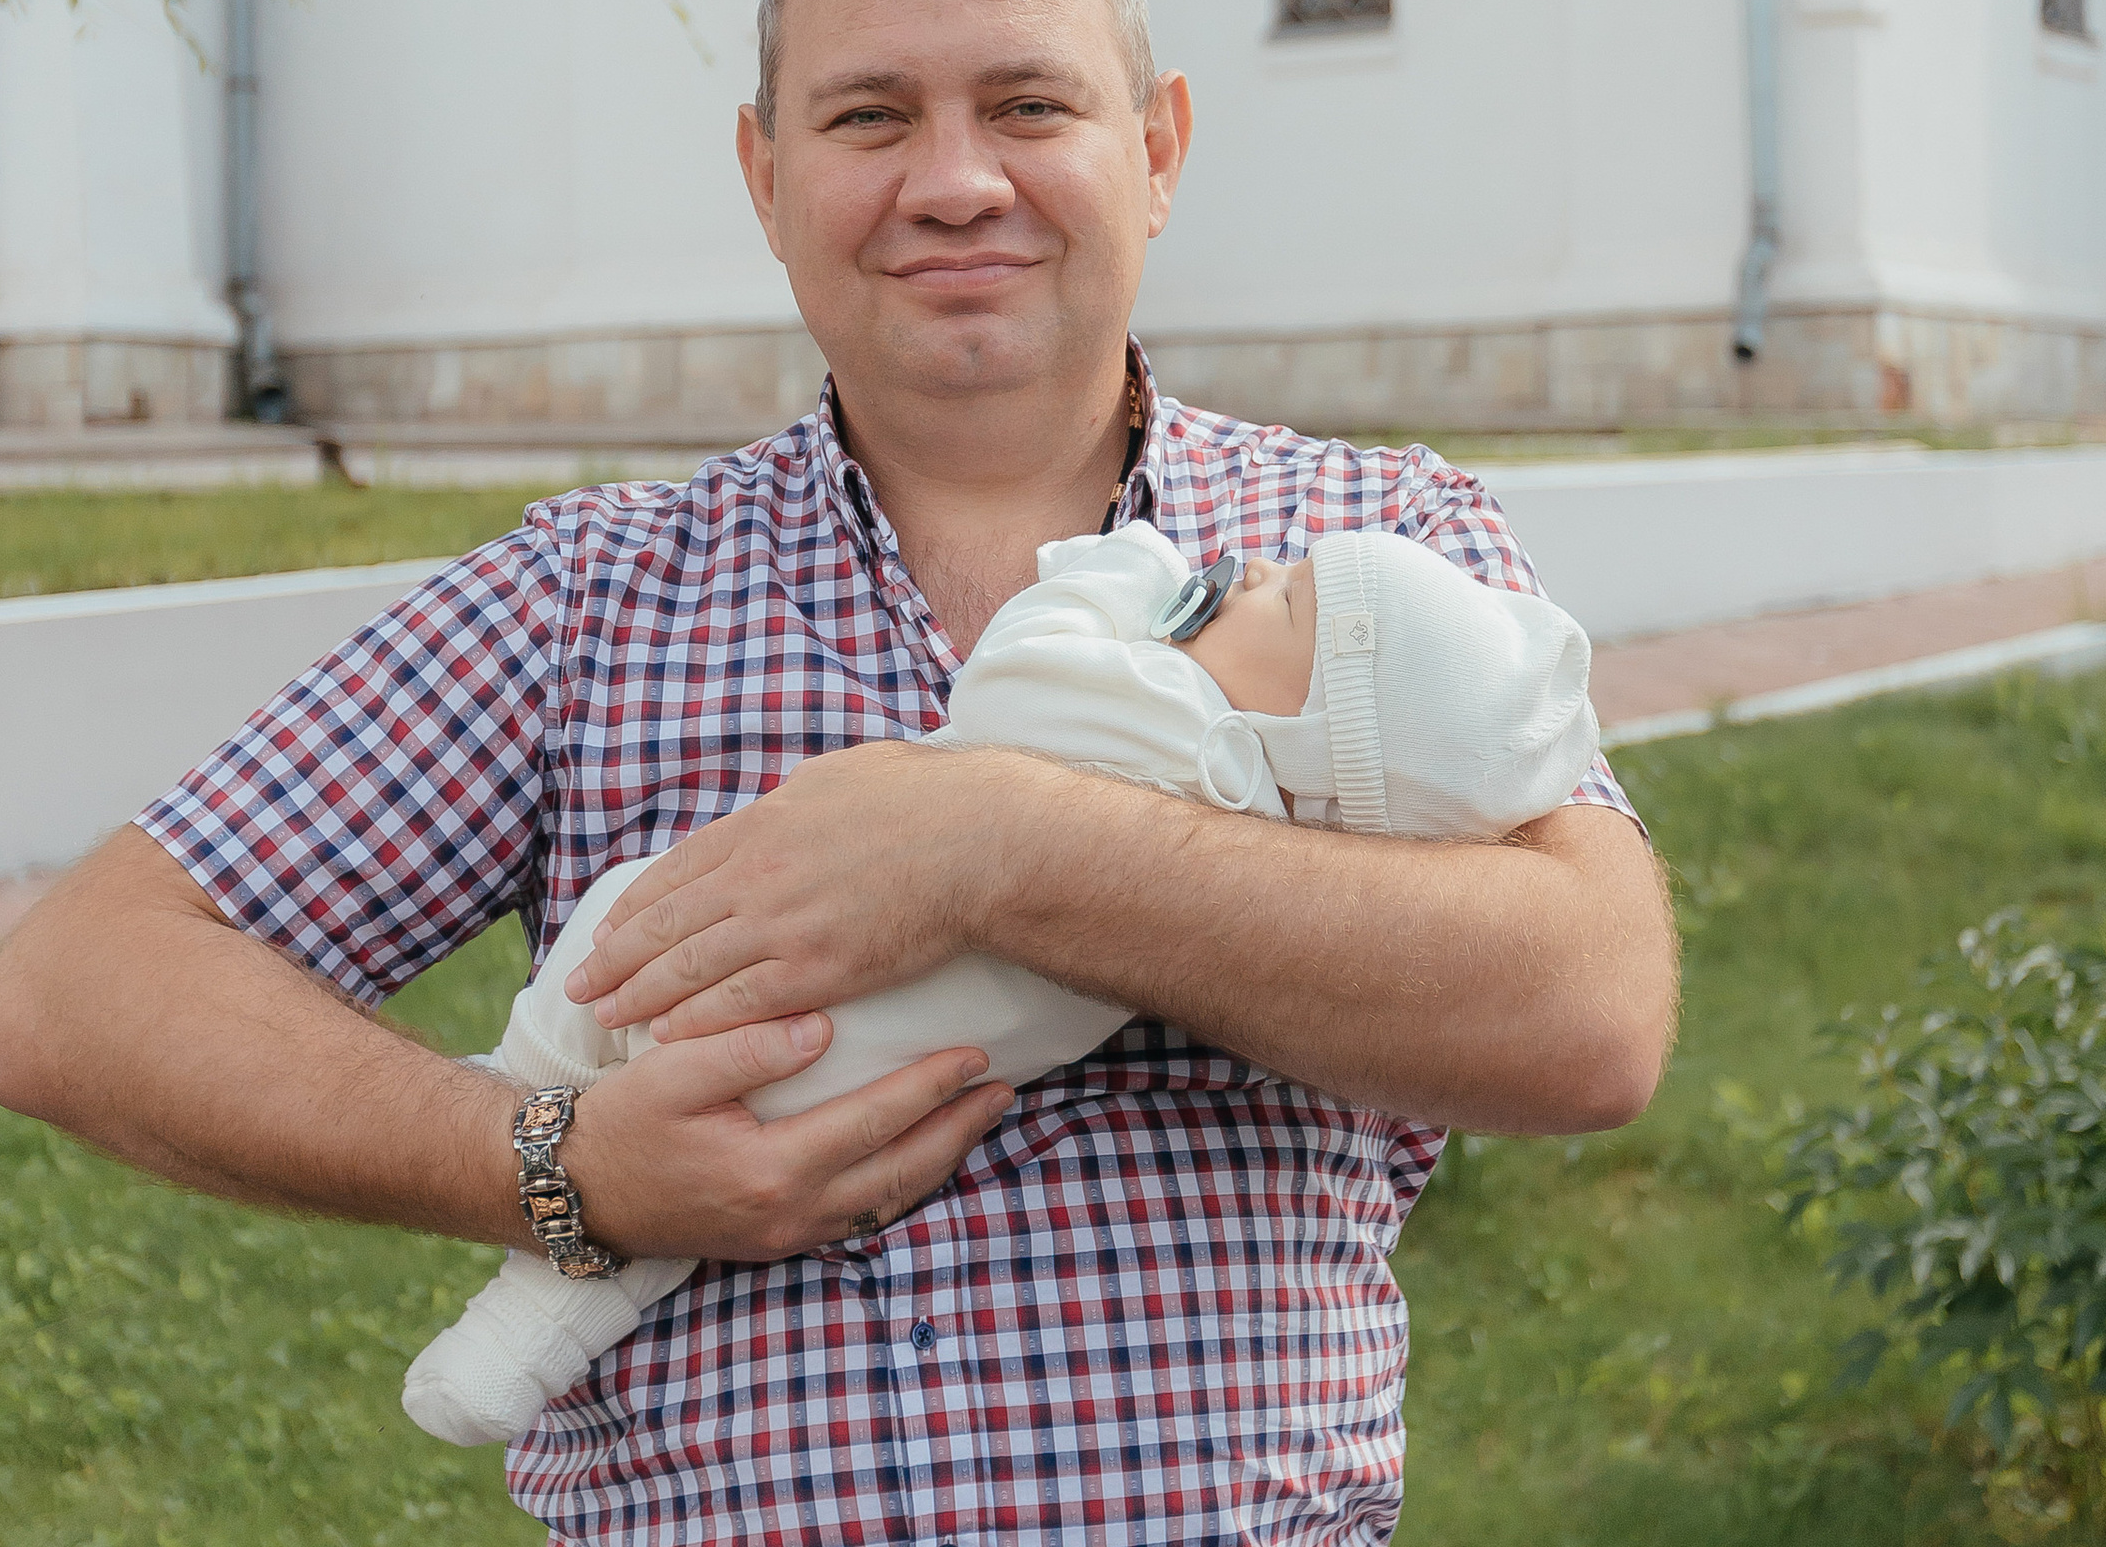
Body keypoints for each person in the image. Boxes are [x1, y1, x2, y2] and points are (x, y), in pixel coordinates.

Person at [0, 0, 1675, 1547]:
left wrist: (1005, 837)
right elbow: (77, 990)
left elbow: (1584, 1005)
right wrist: (546, 1162)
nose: (952, 173)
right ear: (764, 175)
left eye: (1027, 101)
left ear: (1159, 140)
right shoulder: (582, 604)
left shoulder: (1374, 549)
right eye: (866, 111)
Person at [403, 518, 1605, 1445]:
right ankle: (524, 1325)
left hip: (762, 994)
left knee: (623, 936)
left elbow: (1014, 676)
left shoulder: (1172, 720)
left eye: (1280, 603)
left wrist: (1115, 575)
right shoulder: (1290, 833)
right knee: (672, 1198)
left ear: (1306, 729)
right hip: (867, 1083)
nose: (1244, 572)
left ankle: (525, 1093)